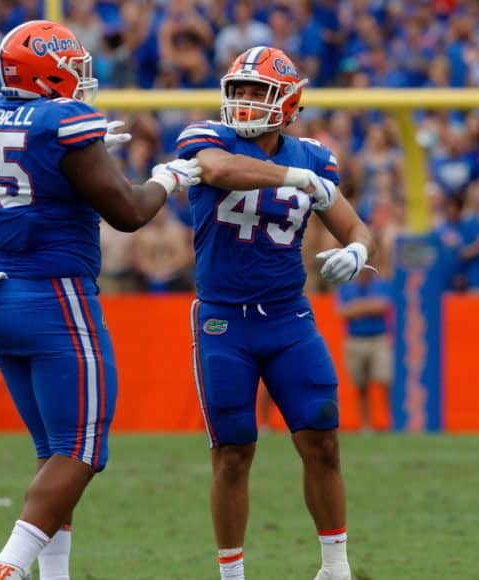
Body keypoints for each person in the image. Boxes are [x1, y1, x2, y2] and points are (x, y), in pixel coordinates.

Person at [0, 21, 201, 580]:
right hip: (57, 298)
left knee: (53, 452)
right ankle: (6, 566)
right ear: (47, 73)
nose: (81, 82)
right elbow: (130, 212)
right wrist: (167, 178)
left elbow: (41, 166)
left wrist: (83, 158)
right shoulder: (61, 121)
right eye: (71, 69)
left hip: (2, 295)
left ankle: (55, 576)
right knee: (84, 450)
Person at [177, 46, 371, 580]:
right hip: (223, 320)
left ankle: (336, 568)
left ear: (287, 102)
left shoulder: (315, 157)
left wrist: (357, 252)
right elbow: (219, 168)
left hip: (288, 318)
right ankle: (232, 575)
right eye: (236, 89)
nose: (241, 101)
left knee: (322, 440)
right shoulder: (207, 138)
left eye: (255, 91)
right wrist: (294, 179)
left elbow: (353, 223)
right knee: (234, 451)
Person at [338, 268, 393, 433]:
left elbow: (384, 306)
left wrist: (357, 307)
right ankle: (366, 426)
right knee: (361, 385)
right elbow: (342, 312)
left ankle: (393, 423)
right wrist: (369, 306)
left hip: (379, 338)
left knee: (386, 380)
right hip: (355, 340)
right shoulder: (346, 287)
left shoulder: (382, 285)